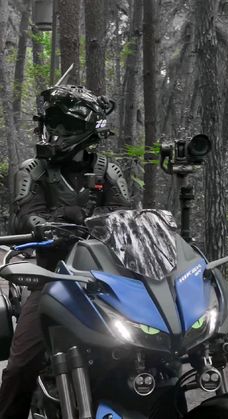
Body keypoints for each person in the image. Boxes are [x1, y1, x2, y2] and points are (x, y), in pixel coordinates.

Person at [0, 84, 130, 419]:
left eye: (64, 124)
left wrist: (100, 220)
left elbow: (124, 214)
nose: (55, 132)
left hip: (105, 279)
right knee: (19, 367)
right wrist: (48, 224)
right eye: (52, 123)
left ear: (84, 129)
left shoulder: (108, 170)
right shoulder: (34, 170)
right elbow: (24, 215)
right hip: (52, 277)